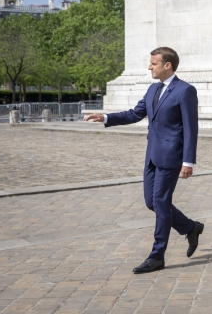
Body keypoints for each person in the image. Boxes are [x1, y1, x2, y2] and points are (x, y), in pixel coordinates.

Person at [84, 47, 204, 274]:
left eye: (154, 63)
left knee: (160, 201)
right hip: (151, 156)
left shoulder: (185, 90)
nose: (150, 67)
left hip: (171, 157)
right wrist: (106, 117)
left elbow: (191, 128)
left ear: (167, 65)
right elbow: (134, 114)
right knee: (152, 203)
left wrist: (188, 161)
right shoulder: (152, 90)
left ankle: (157, 256)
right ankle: (191, 227)